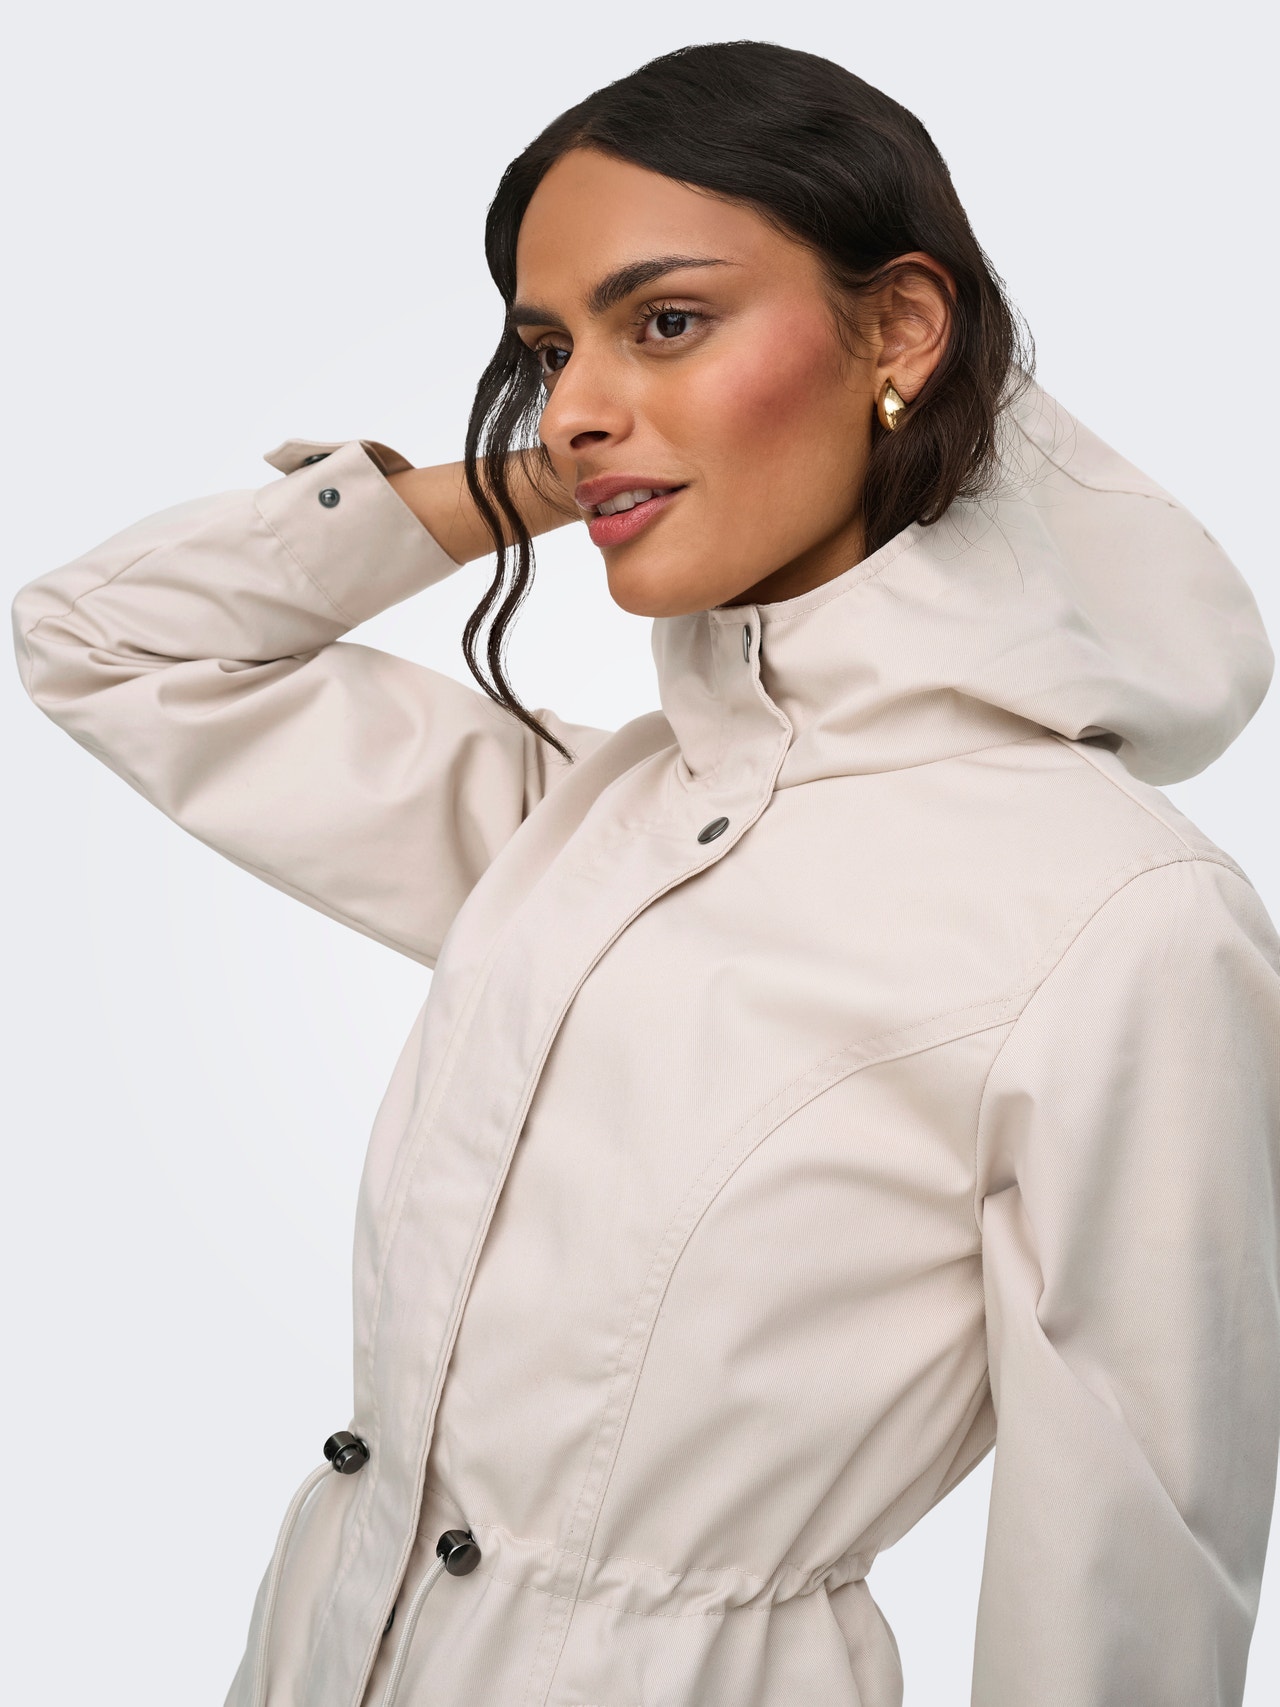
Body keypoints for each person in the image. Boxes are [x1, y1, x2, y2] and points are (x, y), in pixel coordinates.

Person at [11, 38, 1280, 1707]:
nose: (573, 400)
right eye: (552, 351)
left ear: (900, 329)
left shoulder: (1120, 924)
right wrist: (566, 468)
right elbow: (104, 644)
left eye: (666, 320)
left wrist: (633, 437)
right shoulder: (585, 818)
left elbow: (1130, 1580)